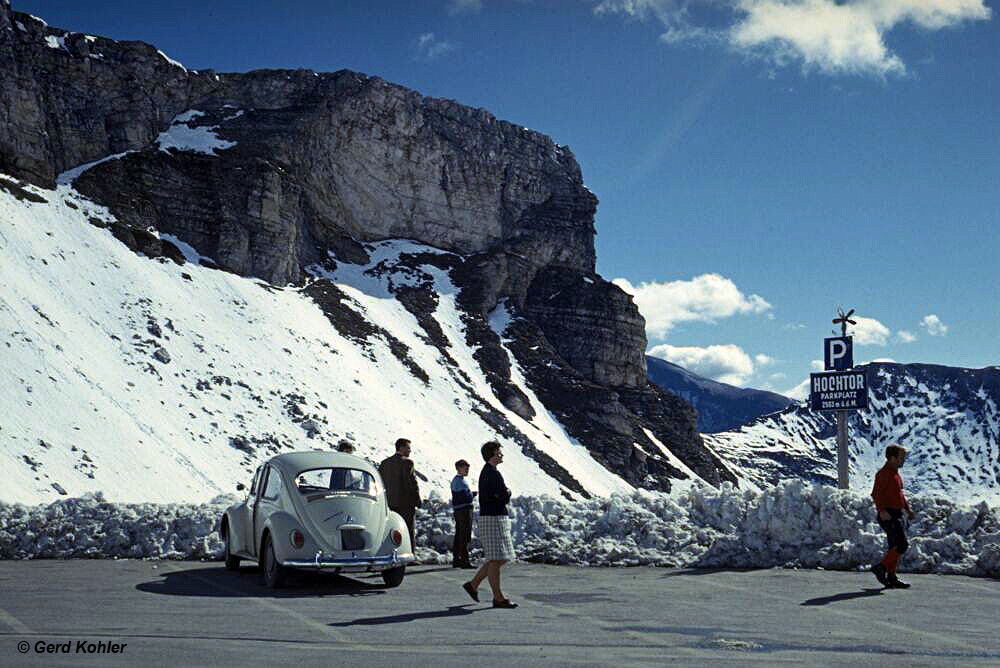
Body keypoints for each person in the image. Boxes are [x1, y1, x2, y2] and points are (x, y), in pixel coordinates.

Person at [462, 441, 517, 609]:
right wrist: (507, 492)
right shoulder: (492, 474)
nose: (501, 455)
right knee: (497, 559)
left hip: (493, 517)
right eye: (499, 452)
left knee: (498, 558)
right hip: (493, 518)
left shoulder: (489, 472)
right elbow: (503, 496)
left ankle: (473, 585)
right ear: (493, 454)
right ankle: (498, 598)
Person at [871, 444, 916, 589]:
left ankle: (891, 577)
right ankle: (881, 568)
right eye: (901, 457)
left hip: (896, 513)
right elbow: (876, 494)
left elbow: (900, 495)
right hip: (888, 515)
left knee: (894, 546)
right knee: (902, 544)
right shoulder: (883, 474)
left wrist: (907, 510)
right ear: (892, 458)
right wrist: (881, 510)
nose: (903, 460)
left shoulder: (895, 474)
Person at [378, 438, 421, 550]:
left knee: (391, 529)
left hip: (390, 503)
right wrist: (417, 500)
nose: (410, 451)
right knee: (408, 529)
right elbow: (411, 484)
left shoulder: (385, 463)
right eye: (408, 448)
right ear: (401, 448)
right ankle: (409, 553)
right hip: (406, 503)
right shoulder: (407, 462)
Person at [451, 459, 477, 568]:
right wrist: (472, 494)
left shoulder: (458, 480)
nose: (467, 470)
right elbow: (465, 497)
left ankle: (457, 559)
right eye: (465, 468)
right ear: (458, 468)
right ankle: (464, 560)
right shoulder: (460, 481)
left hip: (459, 510)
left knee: (459, 534)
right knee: (465, 535)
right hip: (464, 510)